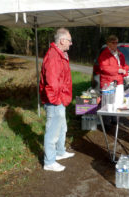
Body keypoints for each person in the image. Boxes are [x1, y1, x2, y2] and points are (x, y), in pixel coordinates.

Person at [39, 28, 75, 172]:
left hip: (60, 99)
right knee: (52, 131)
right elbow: (52, 82)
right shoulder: (54, 56)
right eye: (69, 40)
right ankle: (49, 162)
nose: (71, 43)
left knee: (61, 127)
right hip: (55, 100)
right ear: (62, 41)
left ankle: (60, 152)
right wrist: (56, 100)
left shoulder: (61, 54)